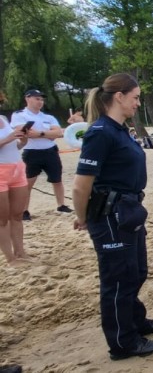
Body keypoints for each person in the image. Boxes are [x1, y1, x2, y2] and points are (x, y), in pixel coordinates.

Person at [72, 73, 153, 360]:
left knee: (136, 271)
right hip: (110, 215)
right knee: (117, 280)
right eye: (136, 97)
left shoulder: (119, 130)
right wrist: (84, 217)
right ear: (119, 96)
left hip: (128, 212)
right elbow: (81, 184)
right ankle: (123, 343)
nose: (138, 103)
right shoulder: (100, 132)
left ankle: (136, 322)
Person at [11, 89, 73, 220]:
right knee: (28, 182)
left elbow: (58, 133)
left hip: (50, 151)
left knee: (57, 179)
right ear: (28, 99)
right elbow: (25, 132)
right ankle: (24, 210)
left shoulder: (47, 117)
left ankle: (61, 204)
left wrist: (40, 134)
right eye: (37, 98)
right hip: (32, 152)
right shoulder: (20, 115)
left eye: (41, 99)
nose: (40, 102)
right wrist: (47, 133)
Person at [0, 115, 29, 266]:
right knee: (2, 219)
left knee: (17, 214)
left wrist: (22, 141)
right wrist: (9, 137)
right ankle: (10, 258)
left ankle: (20, 252)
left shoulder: (3, 118)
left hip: (16, 167)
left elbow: (14, 147)